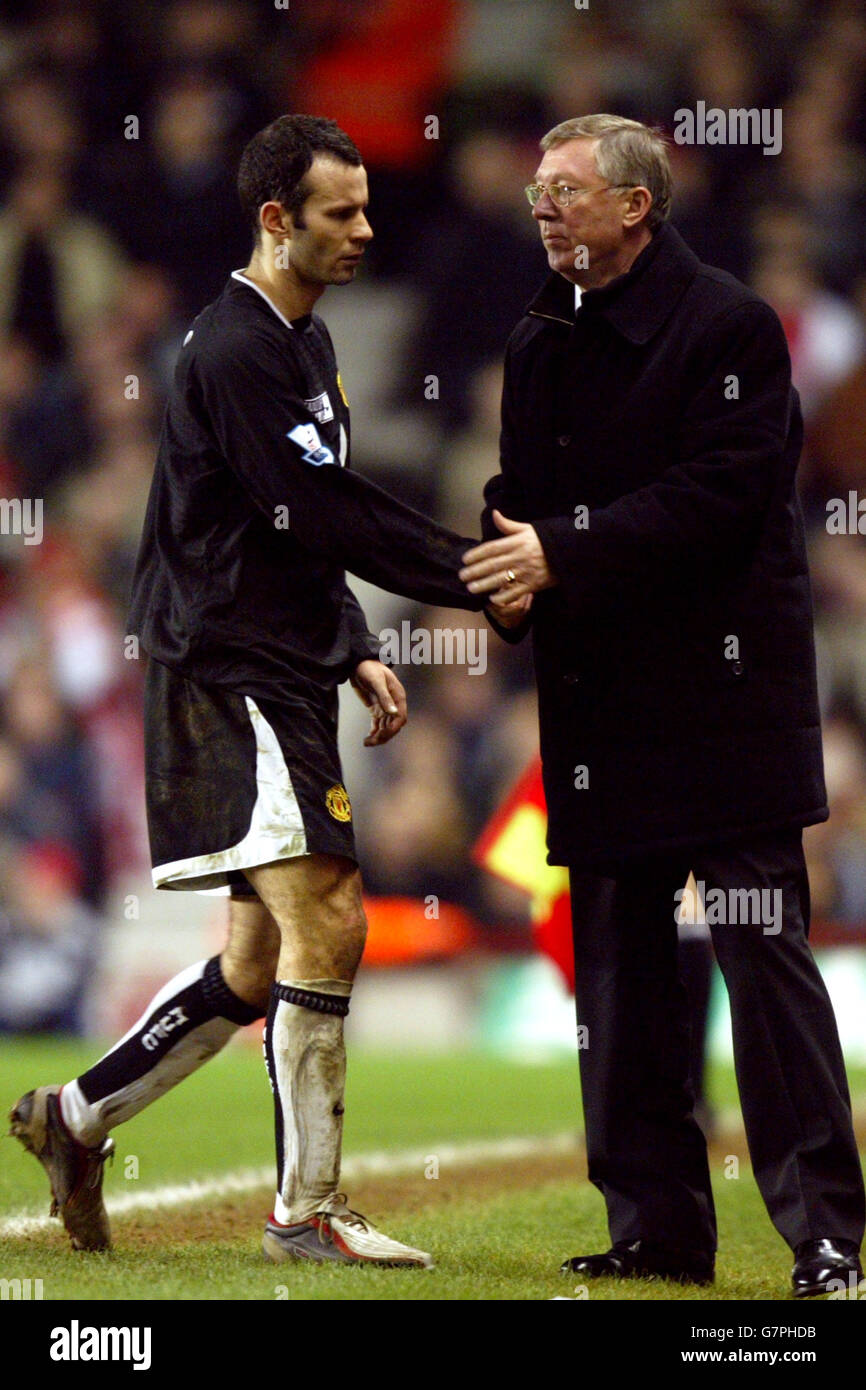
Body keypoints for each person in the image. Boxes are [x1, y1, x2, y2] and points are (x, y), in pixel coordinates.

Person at [10, 114, 487, 1269]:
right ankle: (305, 1210)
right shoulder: (230, 350)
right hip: (226, 673)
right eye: (341, 212)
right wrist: (471, 573)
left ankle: (75, 1118)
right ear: (277, 220)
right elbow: (319, 512)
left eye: (369, 207)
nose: (367, 228)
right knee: (327, 912)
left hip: (275, 663)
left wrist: (346, 643)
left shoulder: (303, 344)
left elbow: (290, 531)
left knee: (257, 961)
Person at [460, 113, 865, 1298]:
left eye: (566, 190)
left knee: (761, 963)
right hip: (603, 712)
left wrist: (554, 555)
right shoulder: (537, 340)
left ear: (636, 206)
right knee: (623, 982)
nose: (541, 206)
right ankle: (655, 1228)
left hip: (723, 704)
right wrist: (498, 576)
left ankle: (825, 1235)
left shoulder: (730, 326)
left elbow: (722, 496)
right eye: (536, 188)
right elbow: (514, 499)